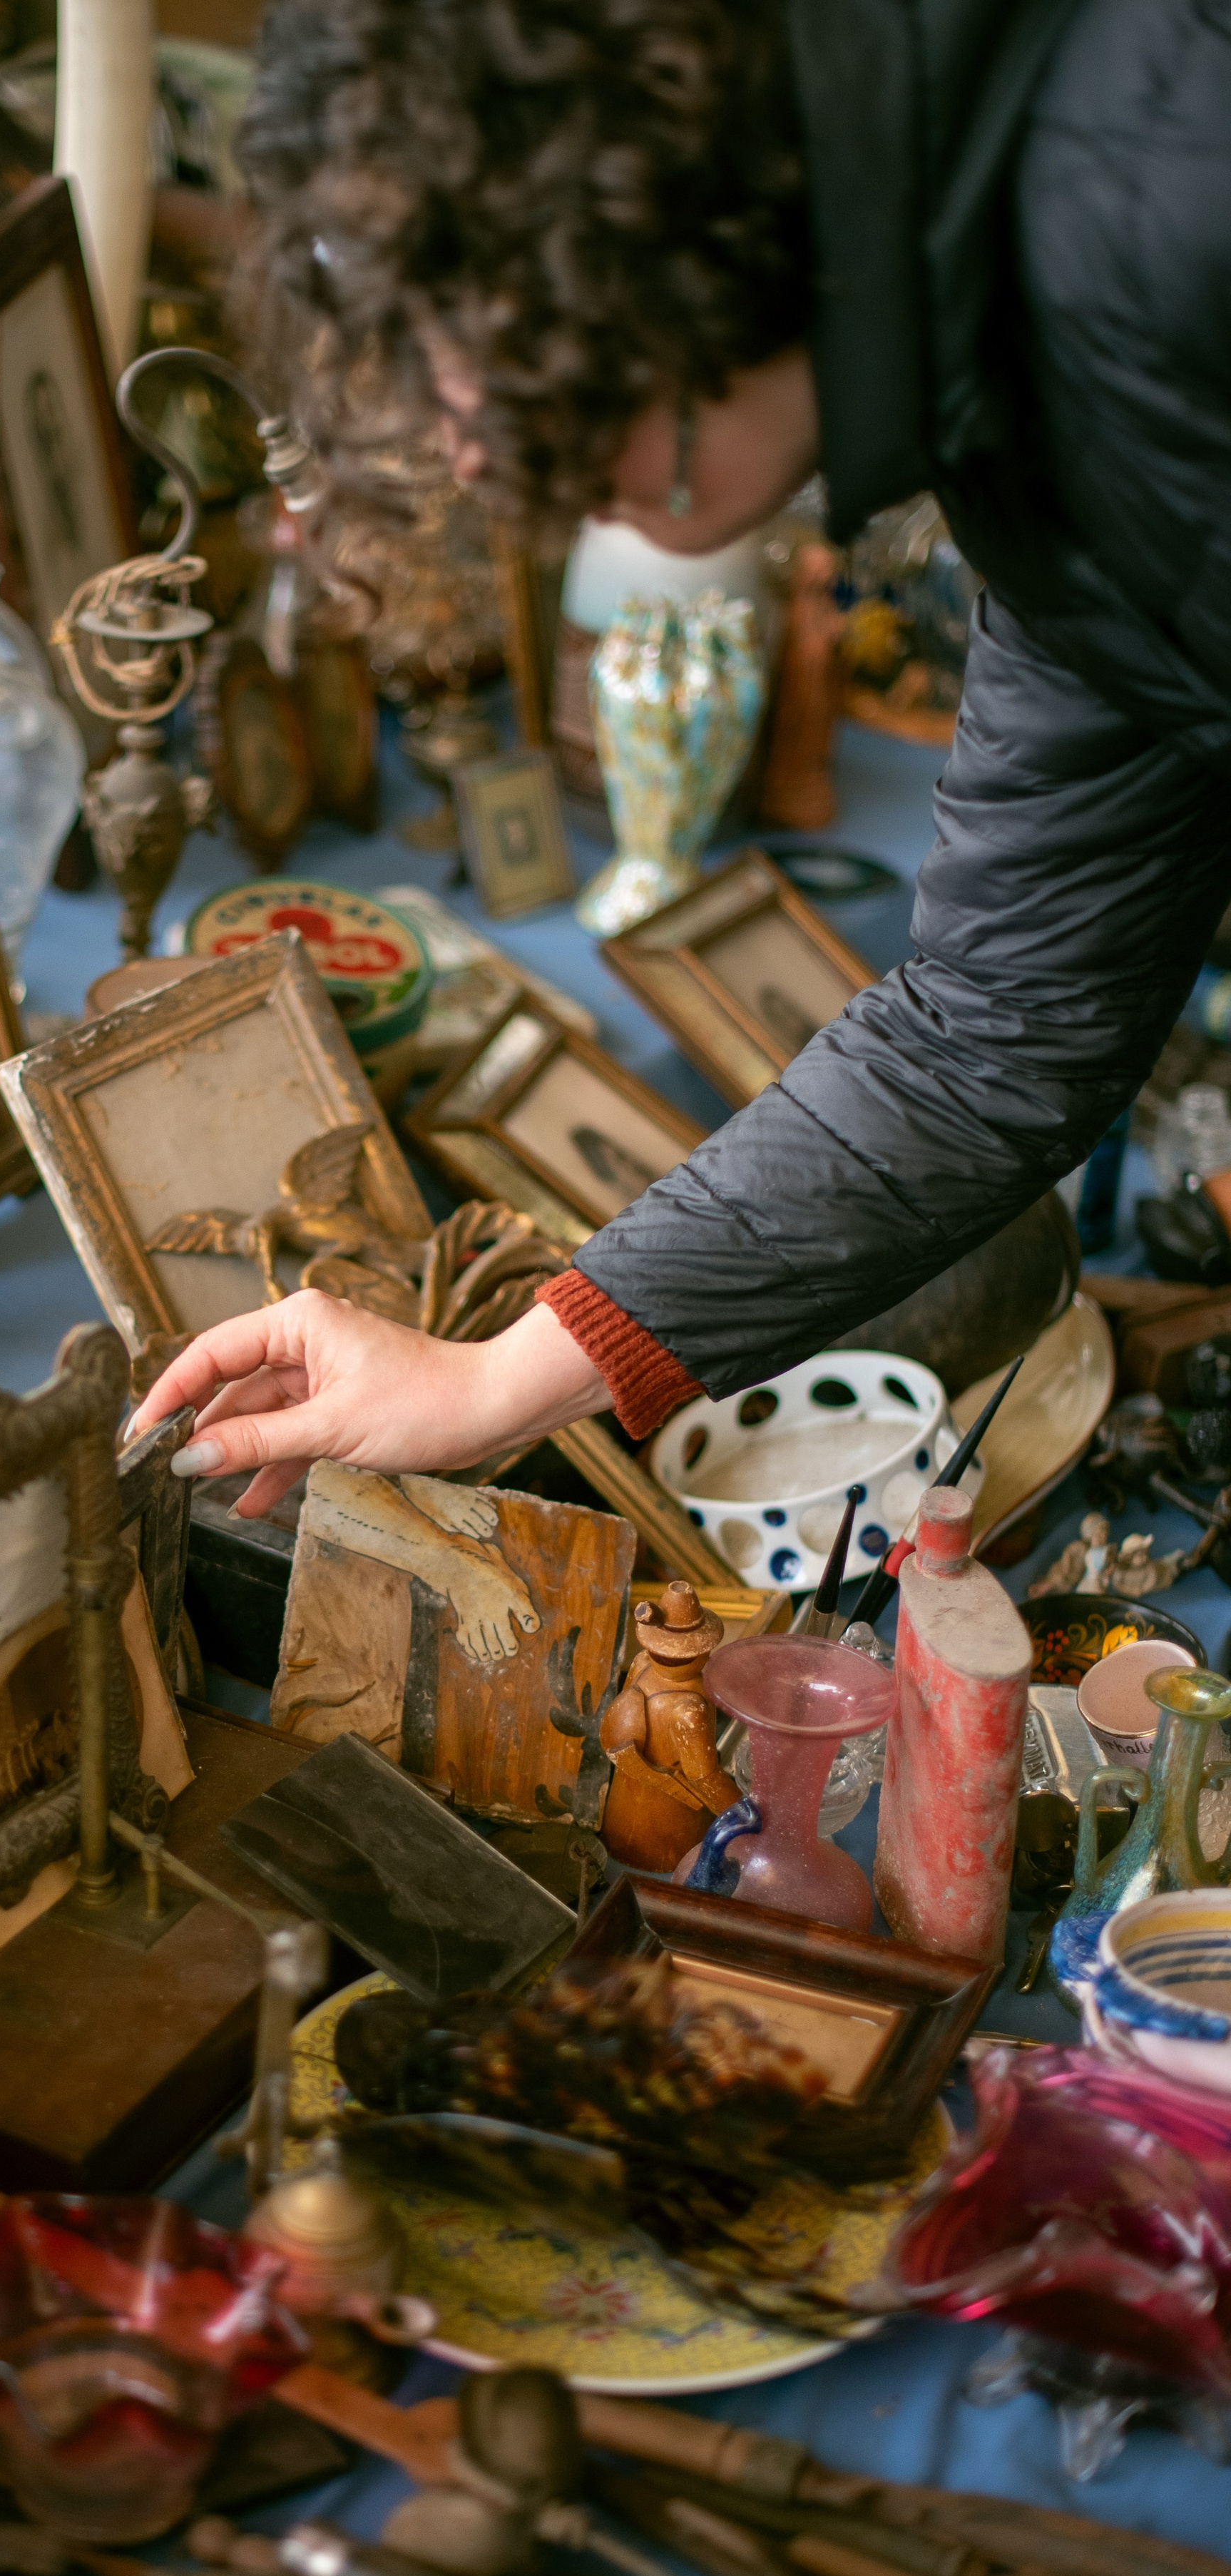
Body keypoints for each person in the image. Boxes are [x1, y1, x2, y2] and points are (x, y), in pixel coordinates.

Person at [133, 0, 1231, 1516]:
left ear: (607, 214)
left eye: (456, 324)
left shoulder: (1150, 217)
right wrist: (497, 1375)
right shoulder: (1008, 354)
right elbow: (995, 1025)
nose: (464, 443)